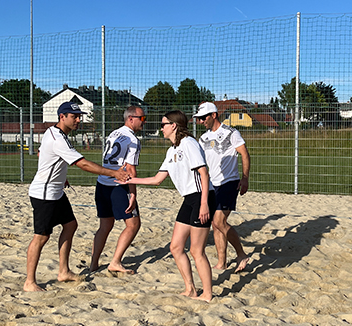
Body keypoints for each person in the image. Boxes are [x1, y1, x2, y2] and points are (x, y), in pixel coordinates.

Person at [24, 102, 130, 292]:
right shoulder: (58, 138)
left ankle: (63, 271)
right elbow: (83, 164)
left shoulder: (54, 132)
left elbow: (44, 153)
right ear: (62, 116)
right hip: (44, 194)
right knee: (41, 237)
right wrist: (113, 174)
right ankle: (29, 282)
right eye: (75, 116)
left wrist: (61, 177)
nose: (79, 120)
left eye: (79, 116)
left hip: (56, 192)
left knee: (71, 225)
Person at [122, 110, 215, 302]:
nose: (161, 128)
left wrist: (204, 204)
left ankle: (208, 294)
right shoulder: (172, 150)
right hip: (189, 199)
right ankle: (190, 289)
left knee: (197, 251)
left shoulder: (189, 143)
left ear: (173, 125)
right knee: (176, 247)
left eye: (163, 124)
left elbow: (204, 174)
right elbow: (157, 179)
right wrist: (131, 180)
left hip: (201, 198)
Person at [194, 102, 250, 272]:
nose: (201, 121)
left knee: (219, 221)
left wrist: (245, 178)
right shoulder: (203, 139)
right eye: (199, 118)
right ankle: (222, 262)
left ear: (213, 115)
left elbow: (245, 154)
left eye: (204, 117)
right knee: (215, 224)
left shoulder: (231, 133)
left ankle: (241, 254)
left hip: (229, 182)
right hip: (213, 184)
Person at [90, 106, 145, 274]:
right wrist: (133, 194)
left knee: (105, 225)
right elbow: (131, 171)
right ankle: (115, 261)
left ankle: (93, 264)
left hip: (102, 183)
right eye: (141, 119)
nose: (144, 122)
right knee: (134, 224)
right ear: (131, 119)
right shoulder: (132, 139)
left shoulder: (114, 133)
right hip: (118, 185)